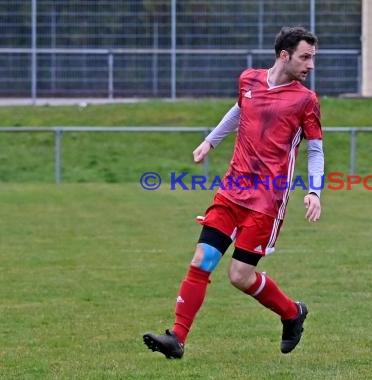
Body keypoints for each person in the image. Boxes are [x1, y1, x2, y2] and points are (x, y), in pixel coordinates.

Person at [143, 26, 324, 359]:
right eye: (305, 57)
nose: (311, 65)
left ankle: (291, 313)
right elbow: (240, 110)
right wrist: (211, 140)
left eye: (313, 58)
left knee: (240, 276)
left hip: (267, 200)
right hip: (233, 190)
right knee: (202, 259)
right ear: (284, 55)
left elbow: (315, 149)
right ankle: (177, 339)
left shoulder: (305, 100)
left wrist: (314, 190)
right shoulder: (249, 80)